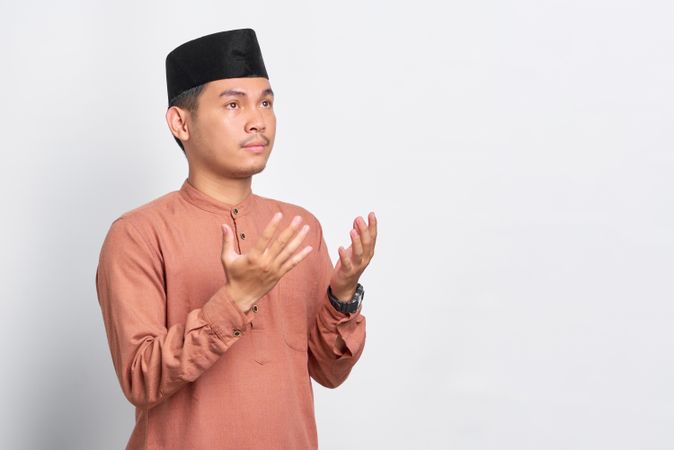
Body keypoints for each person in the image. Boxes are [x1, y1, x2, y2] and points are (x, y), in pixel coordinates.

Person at [95, 28, 377, 450]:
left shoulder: (298, 227)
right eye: (233, 104)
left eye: (266, 102)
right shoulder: (138, 234)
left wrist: (342, 295)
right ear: (180, 122)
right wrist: (235, 299)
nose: (257, 119)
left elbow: (328, 372)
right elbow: (140, 377)